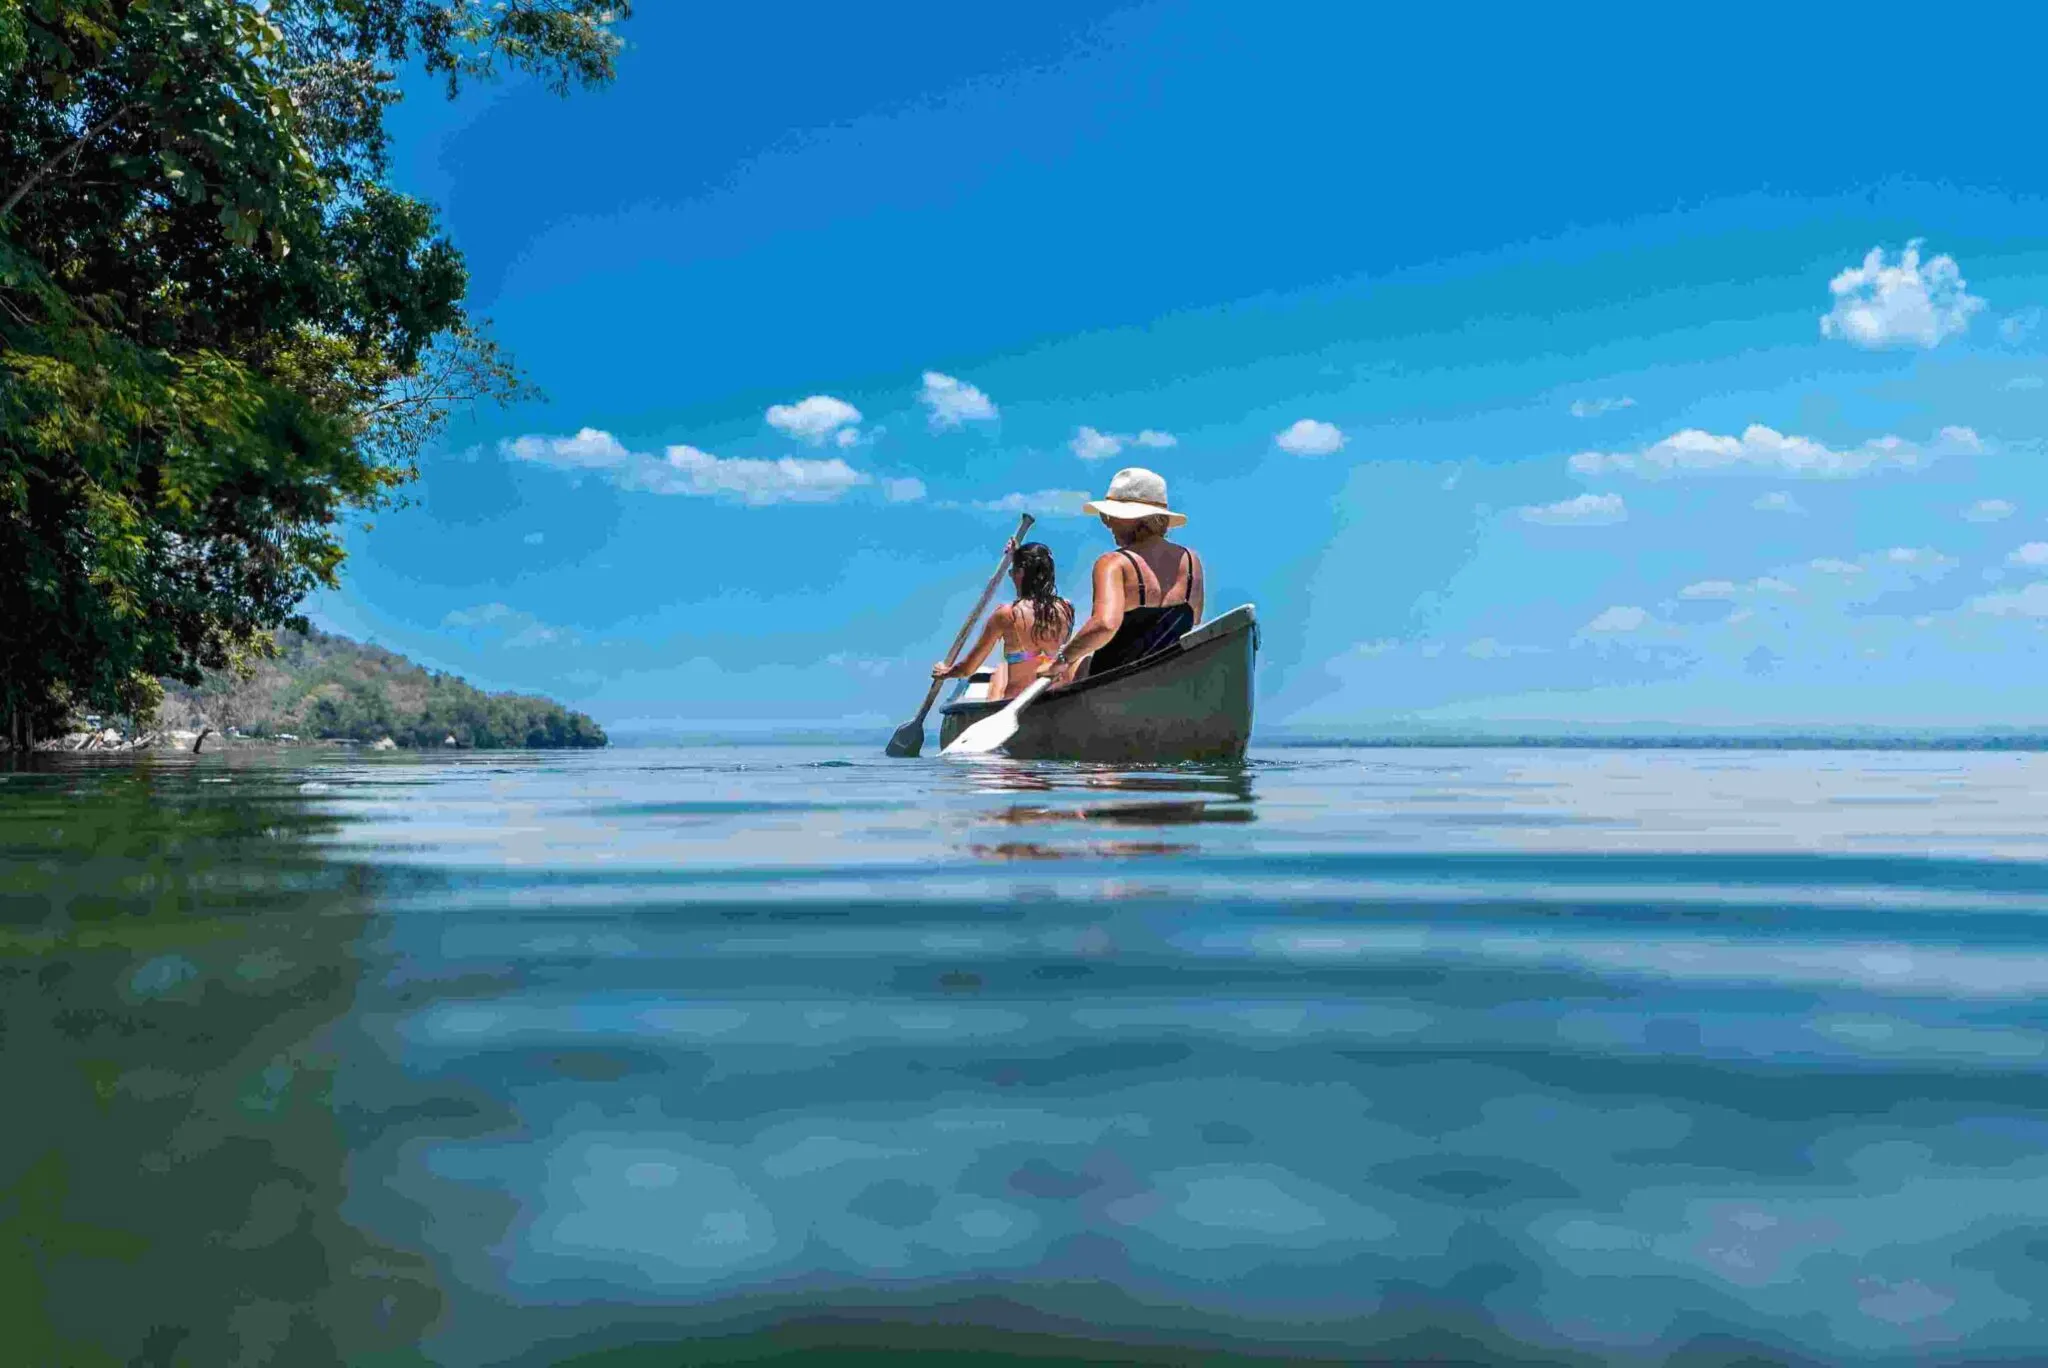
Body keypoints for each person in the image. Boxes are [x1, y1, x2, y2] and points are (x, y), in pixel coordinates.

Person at [1042, 467, 1203, 687]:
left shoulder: (1113, 563)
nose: (1107, 523)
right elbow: (1193, 620)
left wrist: (1060, 661)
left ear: (1135, 519)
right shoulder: (1191, 561)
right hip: (1168, 682)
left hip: (1112, 686)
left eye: (1110, 516)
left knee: (1071, 668)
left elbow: (1105, 625)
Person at [930, 542, 1076, 700]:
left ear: (1020, 573)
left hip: (1018, 705)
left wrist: (946, 672)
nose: (1011, 575)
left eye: (1012, 571)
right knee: (1001, 671)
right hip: (1056, 700)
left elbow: (968, 669)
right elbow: (1039, 655)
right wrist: (1018, 554)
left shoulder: (1006, 615)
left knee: (999, 673)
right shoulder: (1066, 609)